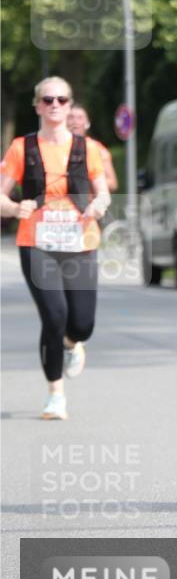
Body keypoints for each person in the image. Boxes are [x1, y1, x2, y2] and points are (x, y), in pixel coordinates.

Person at [0, 76, 110, 420]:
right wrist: (16, 208)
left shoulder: (87, 148)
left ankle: (72, 343)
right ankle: (55, 395)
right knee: (54, 315)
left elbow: (103, 191)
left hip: (80, 241)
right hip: (37, 243)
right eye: (48, 100)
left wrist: (99, 206)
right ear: (37, 106)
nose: (55, 106)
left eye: (62, 100)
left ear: (70, 104)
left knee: (82, 323)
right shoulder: (21, 147)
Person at [68, 103, 119, 192]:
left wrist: (89, 183)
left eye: (80, 118)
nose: (75, 121)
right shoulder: (56, 146)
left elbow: (113, 183)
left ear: (87, 123)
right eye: (71, 117)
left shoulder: (97, 148)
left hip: (89, 203)